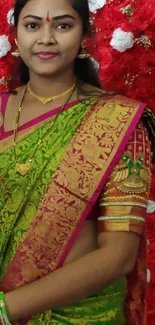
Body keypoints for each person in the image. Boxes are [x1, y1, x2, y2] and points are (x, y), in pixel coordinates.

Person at [0, 0, 154, 324]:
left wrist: (5, 309)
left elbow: (117, 256)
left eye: (62, 25)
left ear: (84, 35)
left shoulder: (119, 123)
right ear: (16, 37)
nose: (46, 38)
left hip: (77, 316)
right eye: (32, 25)